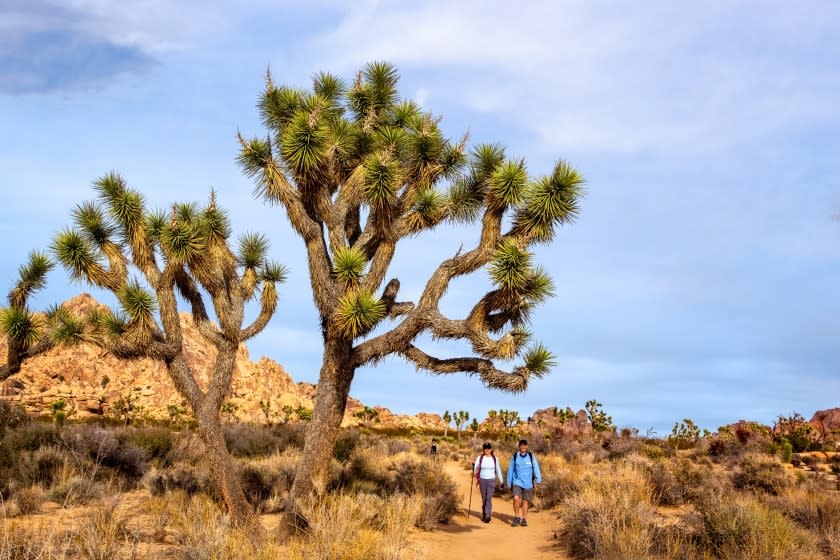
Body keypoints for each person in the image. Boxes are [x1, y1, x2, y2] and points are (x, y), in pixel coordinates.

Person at [507, 439, 541, 527]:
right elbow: (510, 470)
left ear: (526, 446)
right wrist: (508, 482)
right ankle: (516, 517)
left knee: (525, 501)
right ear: (519, 447)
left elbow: (536, 468)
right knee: (515, 498)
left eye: (524, 445)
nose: (522, 447)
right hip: (516, 482)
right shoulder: (515, 456)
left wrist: (538, 481)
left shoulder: (530, 456)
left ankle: (524, 519)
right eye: (521, 445)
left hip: (528, 483)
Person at [473, 442, 504, 523]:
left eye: (488, 448)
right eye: (485, 448)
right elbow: (475, 466)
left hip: (491, 480)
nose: (487, 450)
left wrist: (501, 481)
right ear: (483, 449)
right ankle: (484, 513)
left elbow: (498, 470)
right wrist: (473, 465)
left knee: (489, 498)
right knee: (484, 498)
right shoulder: (480, 458)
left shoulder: (495, 458)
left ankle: (487, 515)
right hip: (482, 480)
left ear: (491, 449)